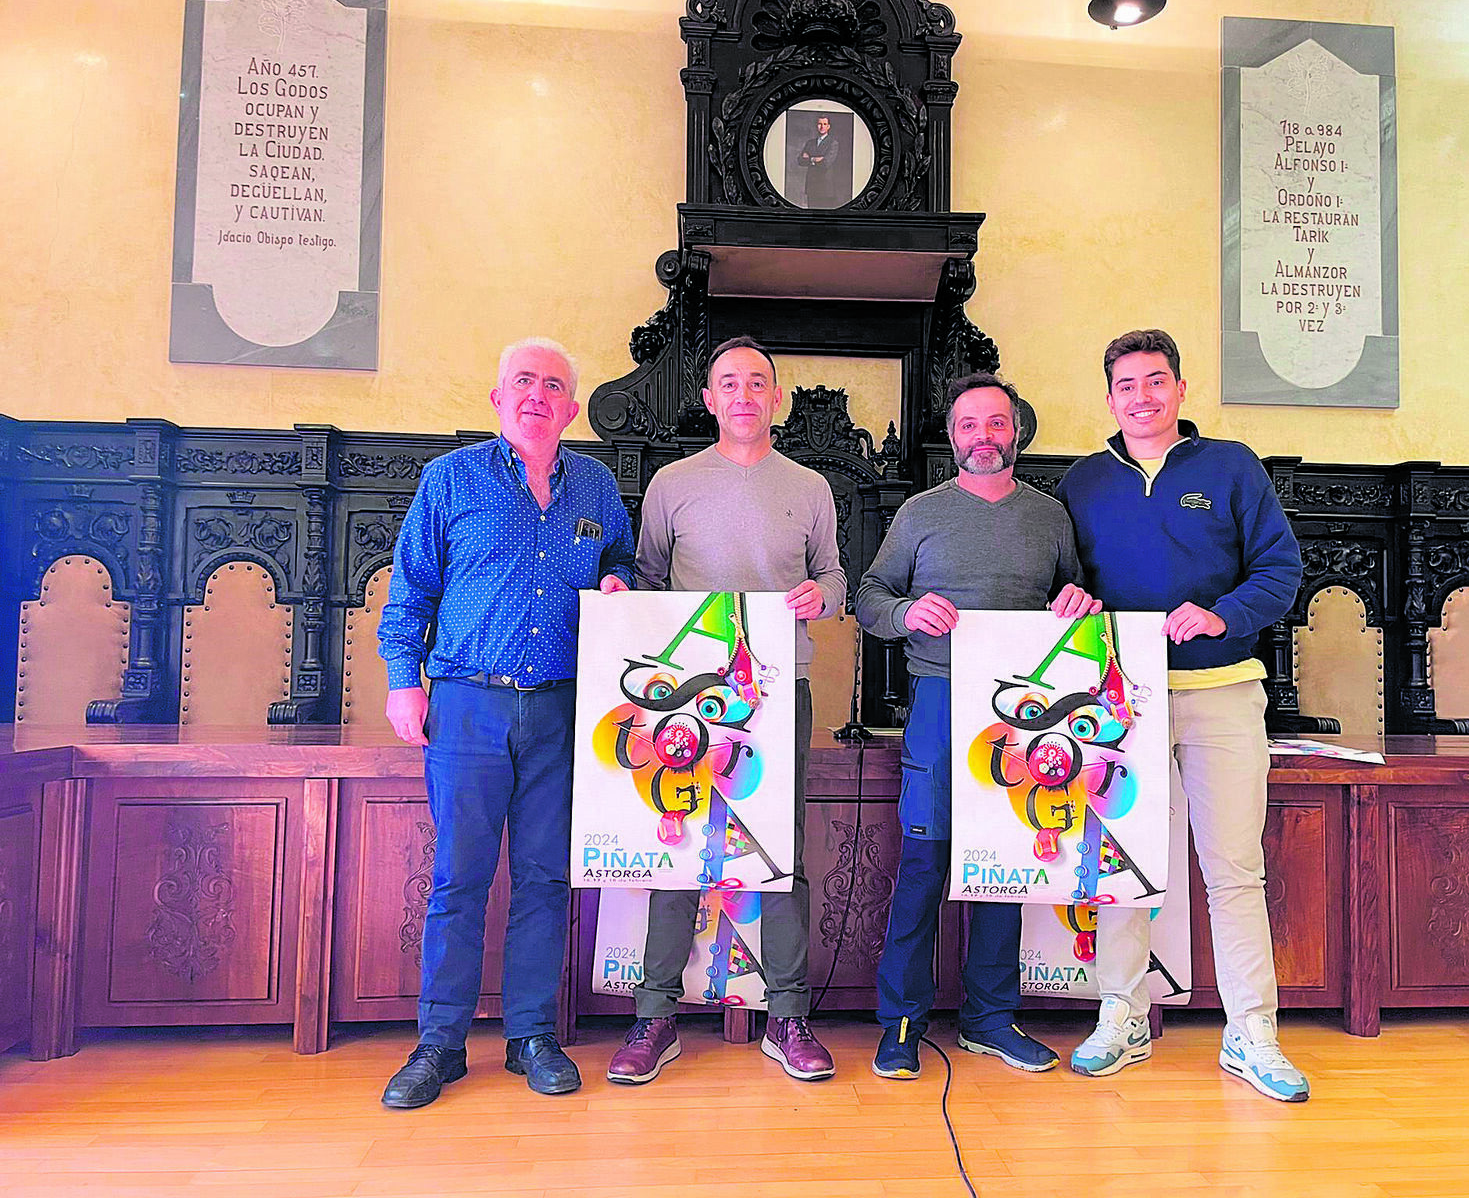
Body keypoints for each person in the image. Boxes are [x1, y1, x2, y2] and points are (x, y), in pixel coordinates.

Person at [376, 336, 635, 1108]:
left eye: (553, 385)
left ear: (571, 408)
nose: (536, 395)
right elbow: (410, 594)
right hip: (467, 704)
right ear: (497, 399)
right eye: (522, 381)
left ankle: (531, 1035)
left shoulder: (595, 488)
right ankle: (440, 1043)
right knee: (459, 878)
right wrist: (403, 684)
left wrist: (621, 576)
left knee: (545, 878)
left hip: (563, 708)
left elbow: (625, 563)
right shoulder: (449, 480)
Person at [1056, 328, 1309, 1103]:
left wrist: (1222, 614)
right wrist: (1071, 601)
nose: (1142, 396)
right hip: (1119, 703)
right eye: (1127, 384)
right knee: (1121, 867)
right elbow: (1067, 585)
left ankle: (1252, 1033)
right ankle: (1122, 1015)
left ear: (1180, 390)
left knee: (1234, 869)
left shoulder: (1231, 467)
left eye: (1156, 381)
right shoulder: (1082, 483)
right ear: (1109, 399)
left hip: (1223, 692)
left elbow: (1282, 570)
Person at [605, 335, 847, 1085]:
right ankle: (654, 1016)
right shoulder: (673, 484)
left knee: (781, 853)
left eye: (758, 383)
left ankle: (788, 1015)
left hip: (778, 695)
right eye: (729, 383)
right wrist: (623, 598)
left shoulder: (810, 487)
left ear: (776, 398)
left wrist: (823, 596)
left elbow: (834, 576)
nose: (744, 395)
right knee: (677, 846)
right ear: (709, 399)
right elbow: (644, 578)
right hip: (680, 700)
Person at [856, 373, 1100, 1080]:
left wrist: (1079, 601)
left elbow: (1074, 598)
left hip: (1023, 715)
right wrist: (906, 615)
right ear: (952, 436)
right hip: (937, 704)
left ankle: (990, 1020)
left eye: (996, 424)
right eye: (969, 425)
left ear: (1016, 431)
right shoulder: (921, 513)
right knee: (924, 865)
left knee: (1005, 868)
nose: (983, 437)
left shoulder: (1049, 517)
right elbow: (871, 597)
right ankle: (900, 1022)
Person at [796, 114, 843, 208]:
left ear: (828, 126)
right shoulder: (810, 143)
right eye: (819, 124)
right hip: (811, 186)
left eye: (824, 124)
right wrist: (815, 159)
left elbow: (826, 163)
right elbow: (800, 160)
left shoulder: (833, 143)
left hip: (825, 188)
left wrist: (809, 158)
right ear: (816, 126)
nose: (822, 126)